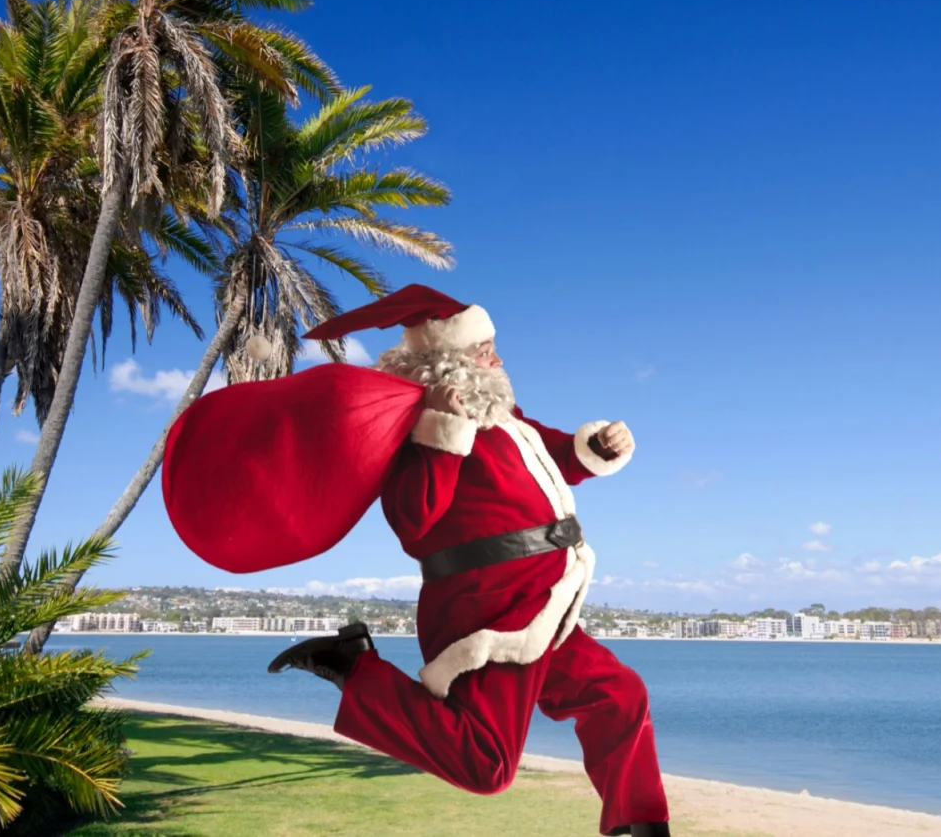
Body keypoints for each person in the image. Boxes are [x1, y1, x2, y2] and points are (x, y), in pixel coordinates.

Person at [268, 285, 672, 837]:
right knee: (487, 767)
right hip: (486, 611)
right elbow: (414, 522)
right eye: (486, 350)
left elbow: (553, 457)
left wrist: (594, 448)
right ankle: (353, 668)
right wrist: (442, 433)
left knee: (619, 697)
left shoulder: (503, 417)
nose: (499, 359)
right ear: (449, 358)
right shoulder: (411, 429)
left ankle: (639, 830)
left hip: (544, 600)